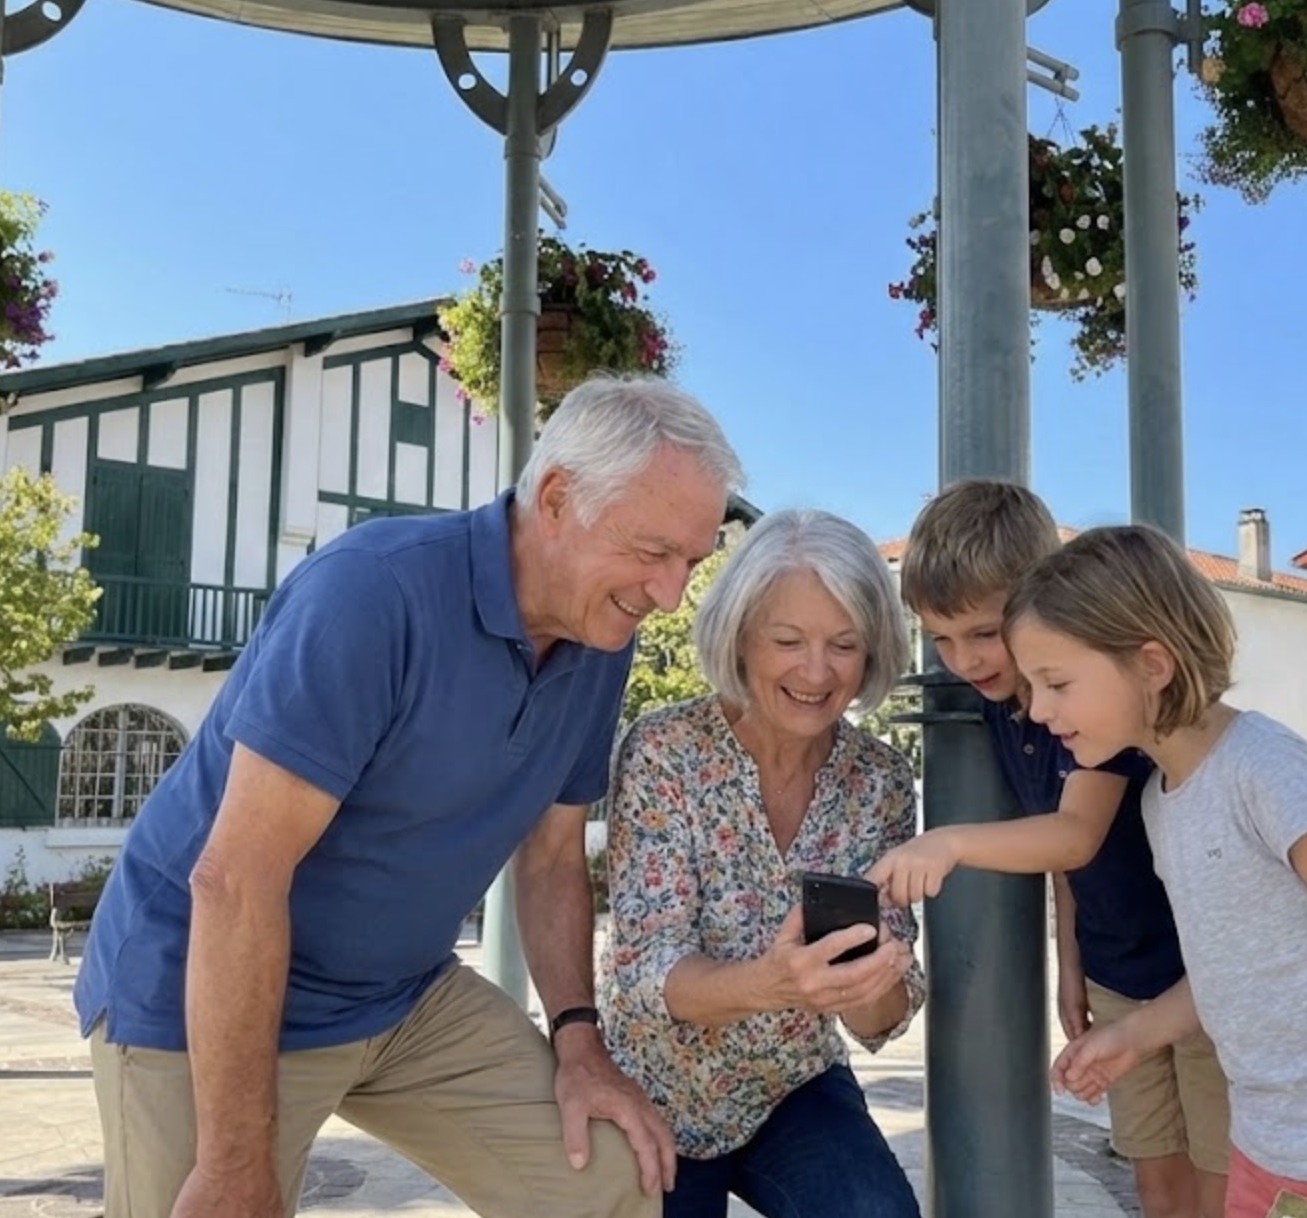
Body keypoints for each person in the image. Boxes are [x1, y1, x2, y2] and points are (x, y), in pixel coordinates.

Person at [71, 375, 746, 1218]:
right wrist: (237, 1163)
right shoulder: (371, 594)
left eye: (692, 561)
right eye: (653, 553)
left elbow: (549, 854)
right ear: (558, 497)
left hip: (401, 996)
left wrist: (579, 1039)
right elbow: (236, 879)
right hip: (199, 986)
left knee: (609, 1180)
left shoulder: (601, 636)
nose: (670, 595)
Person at [1009, 525, 1307, 1218]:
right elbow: (1234, 967)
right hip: (1268, 1154)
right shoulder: (1161, 801)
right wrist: (1134, 1035)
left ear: (1152, 664)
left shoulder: (1268, 772)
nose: (1039, 709)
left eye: (1055, 683)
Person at [867, 479, 1229, 1218]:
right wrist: (1072, 964)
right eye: (940, 637)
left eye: (983, 631)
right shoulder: (1007, 703)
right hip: (1116, 974)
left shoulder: (1089, 702)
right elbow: (1067, 858)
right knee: (1157, 1182)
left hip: (1201, 974)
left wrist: (948, 844)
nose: (963, 659)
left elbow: (1076, 830)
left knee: (1224, 1182)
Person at [599, 507, 927, 1218]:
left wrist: (869, 984)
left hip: (792, 1084)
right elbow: (645, 975)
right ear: (741, 637)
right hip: (655, 1084)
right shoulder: (664, 751)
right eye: (788, 640)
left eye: (844, 644)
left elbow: (883, 1019)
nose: (816, 672)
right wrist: (776, 984)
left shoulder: (880, 779)